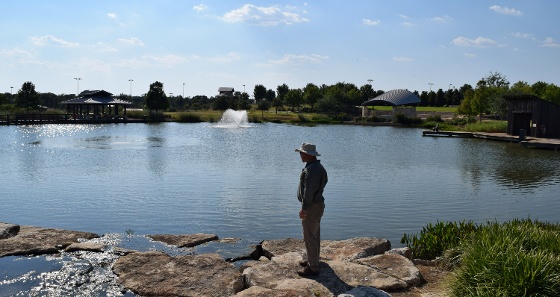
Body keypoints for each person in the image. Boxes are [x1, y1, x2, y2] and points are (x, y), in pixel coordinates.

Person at [295, 142, 328, 276]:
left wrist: (304, 208)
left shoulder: (313, 170)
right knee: (313, 235)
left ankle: (313, 267)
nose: (300, 155)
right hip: (315, 205)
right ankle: (312, 260)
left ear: (308, 155)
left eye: (302, 153)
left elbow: (309, 191)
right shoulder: (315, 167)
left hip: (312, 206)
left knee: (310, 237)